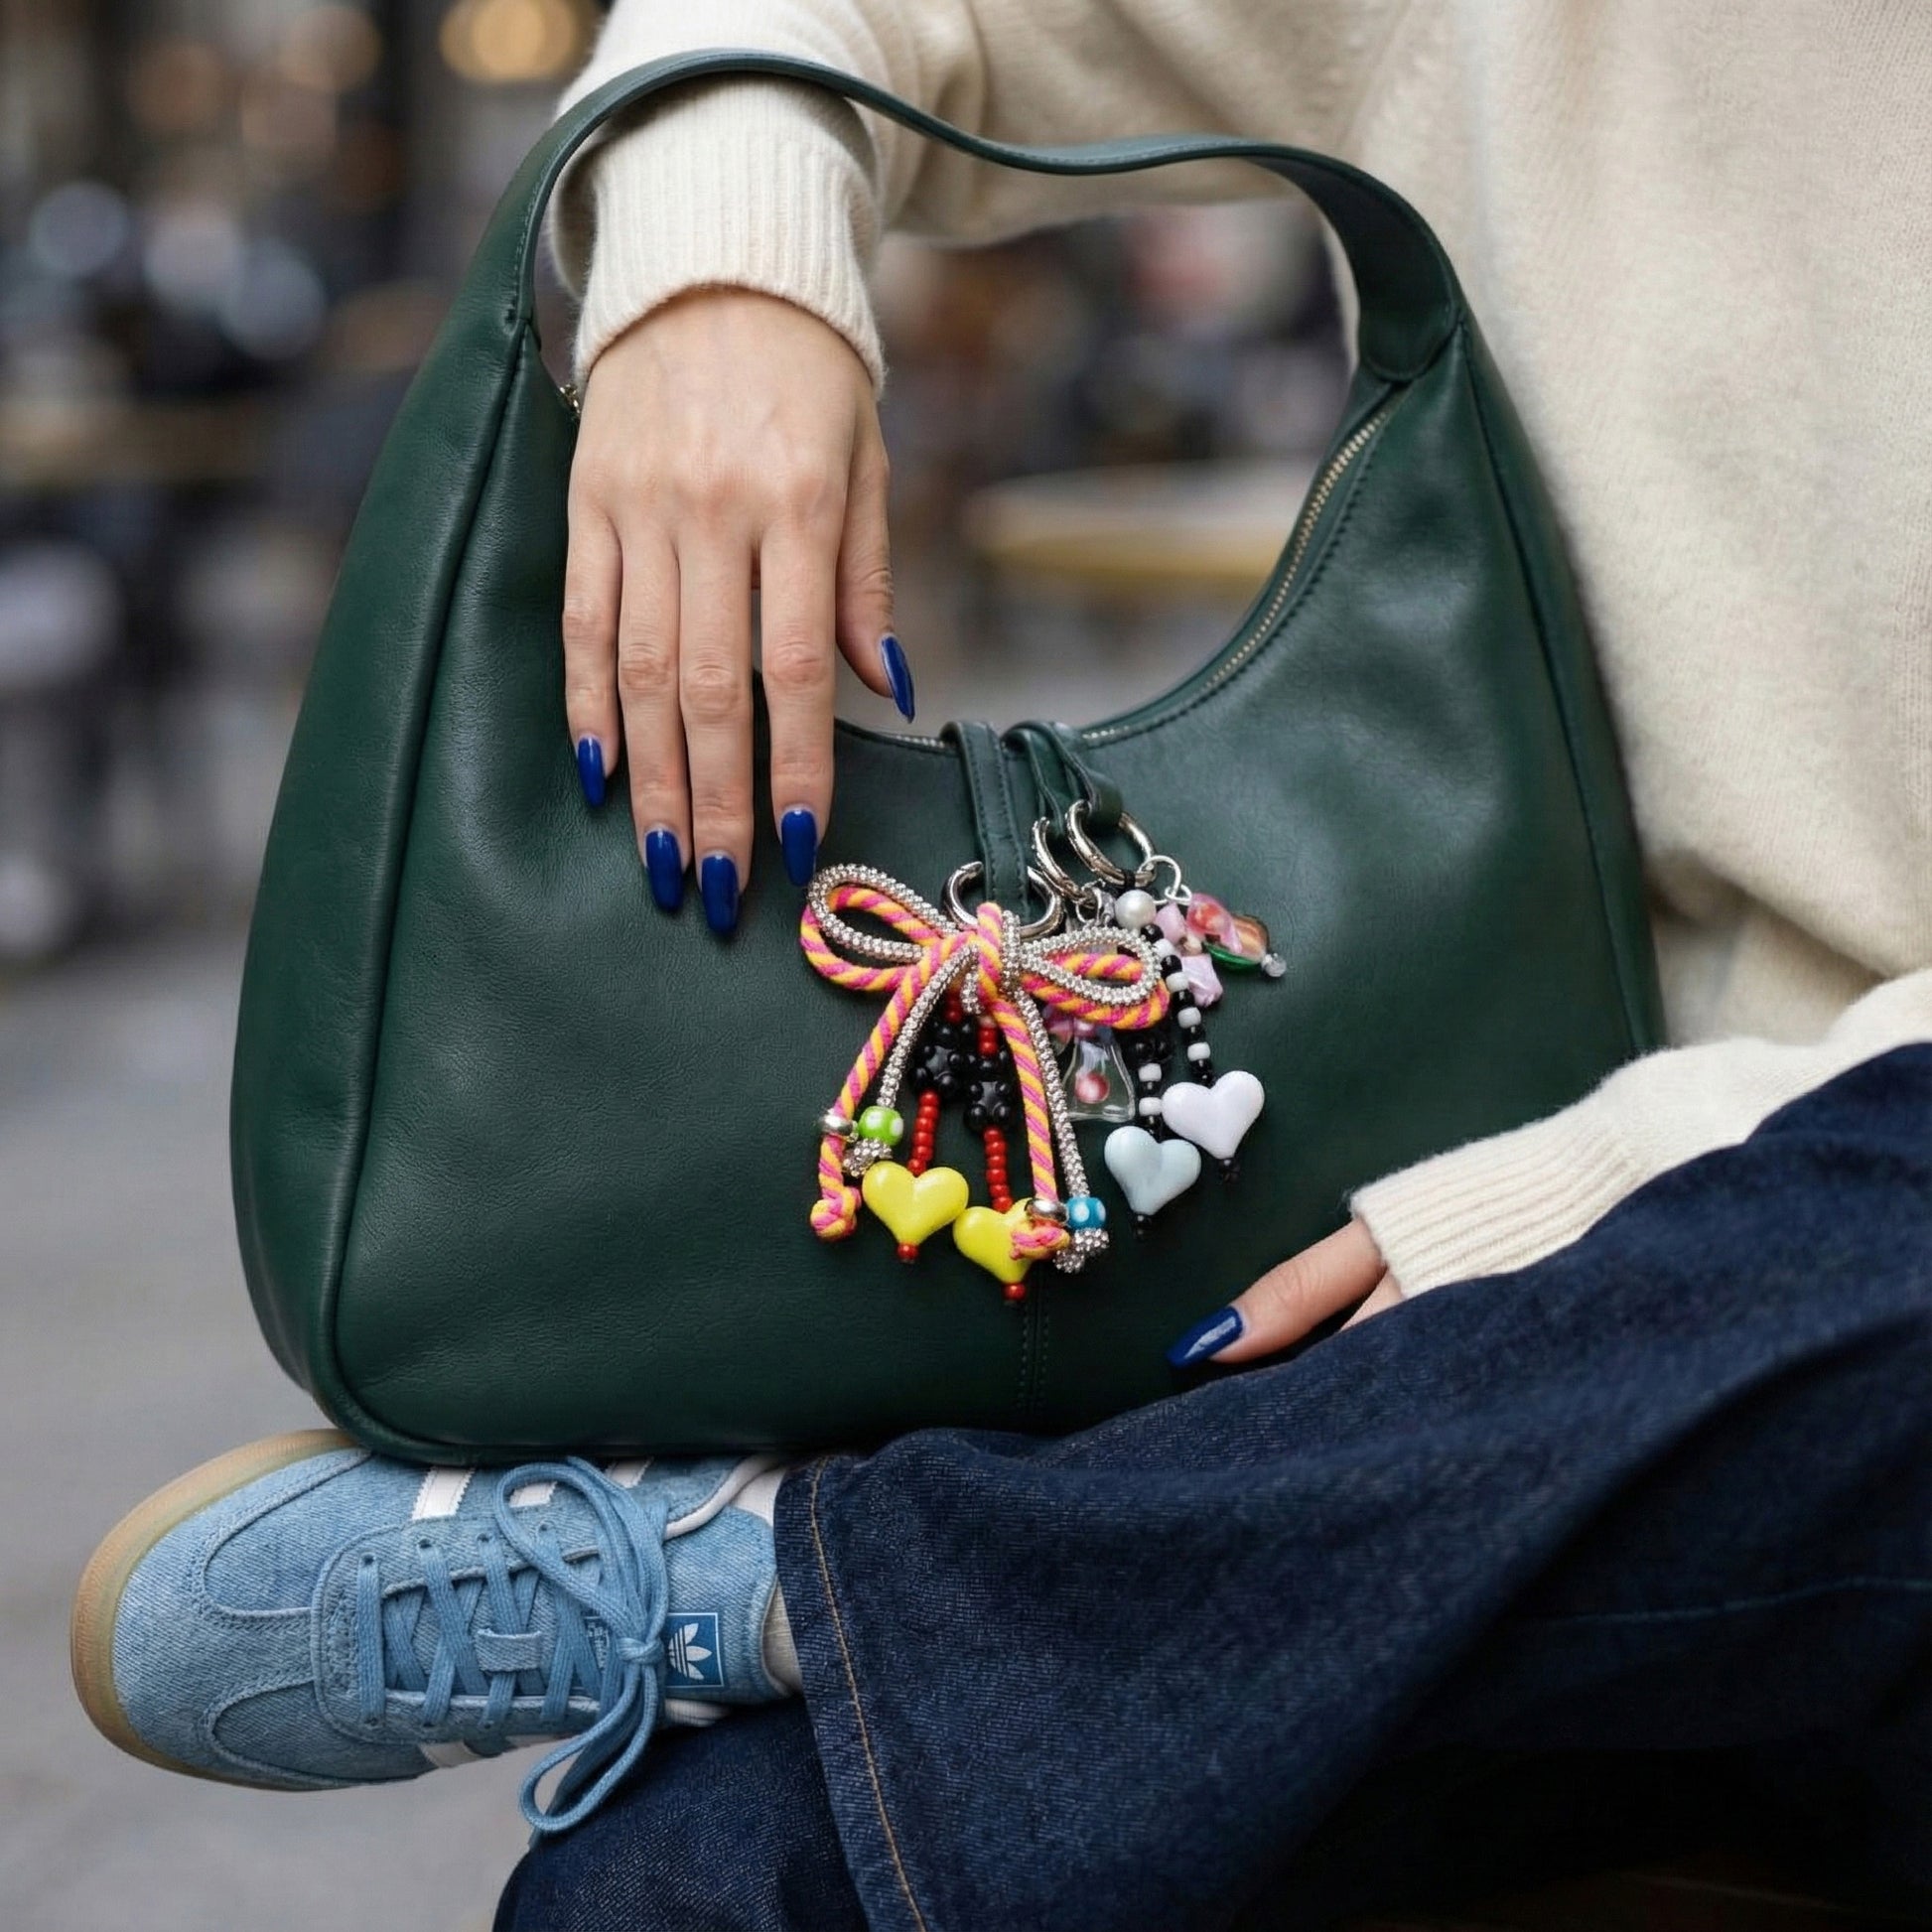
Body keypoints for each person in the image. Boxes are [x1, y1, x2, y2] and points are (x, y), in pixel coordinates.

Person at [70, 4, 1932, 1927]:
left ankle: (789, 1585)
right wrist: (727, 261)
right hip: (1503, 1444)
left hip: (1774, 1283)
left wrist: (1617, 1193)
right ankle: (912, 1604)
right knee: (688, 1881)